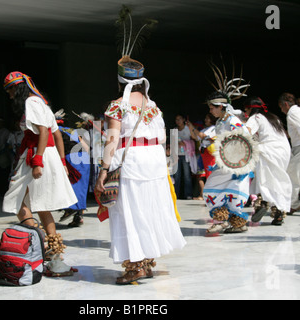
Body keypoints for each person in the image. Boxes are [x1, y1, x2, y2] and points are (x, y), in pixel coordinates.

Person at [95, 8, 185, 285]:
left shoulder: (117, 106)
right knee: (150, 208)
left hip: (131, 161)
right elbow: (163, 137)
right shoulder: (153, 105)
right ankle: (146, 260)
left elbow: (112, 139)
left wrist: (102, 170)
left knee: (129, 212)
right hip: (155, 161)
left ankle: (134, 267)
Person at [1, 71, 78, 272]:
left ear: (17, 88)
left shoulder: (31, 103)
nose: (9, 94)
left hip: (38, 154)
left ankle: (40, 239)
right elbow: (57, 135)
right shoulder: (42, 103)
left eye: (9, 89)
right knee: (42, 205)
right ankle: (54, 254)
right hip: (48, 154)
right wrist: (61, 162)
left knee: (15, 198)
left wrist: (37, 161)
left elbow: (43, 132)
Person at [202, 91, 253, 234]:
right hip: (225, 165)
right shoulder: (220, 122)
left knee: (215, 190)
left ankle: (221, 221)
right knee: (225, 192)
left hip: (235, 166)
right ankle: (237, 224)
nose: (210, 111)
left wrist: (240, 165)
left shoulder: (233, 121)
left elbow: (245, 141)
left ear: (221, 106)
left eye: (212, 108)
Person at [243, 97, 292, 225]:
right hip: (284, 151)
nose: (245, 113)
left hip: (268, 150)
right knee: (277, 179)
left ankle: (263, 203)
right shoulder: (273, 117)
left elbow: (246, 132)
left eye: (246, 110)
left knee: (263, 178)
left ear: (250, 109)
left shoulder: (255, 118)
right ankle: (279, 214)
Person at [188, 113, 217, 200]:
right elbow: (196, 137)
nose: (205, 120)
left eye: (207, 118)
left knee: (210, 174)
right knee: (207, 175)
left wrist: (193, 128)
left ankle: (212, 196)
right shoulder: (205, 129)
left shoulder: (213, 128)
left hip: (210, 154)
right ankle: (209, 196)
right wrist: (190, 127)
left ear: (212, 119)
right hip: (204, 154)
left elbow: (202, 136)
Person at [173, 114, 196, 199]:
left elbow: (194, 140)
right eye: (176, 119)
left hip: (186, 155)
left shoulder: (187, 129)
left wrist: (185, 143)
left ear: (183, 119)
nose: (178, 121)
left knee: (187, 175)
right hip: (177, 155)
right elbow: (172, 143)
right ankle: (175, 195)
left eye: (179, 119)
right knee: (177, 176)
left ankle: (188, 195)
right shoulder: (175, 130)